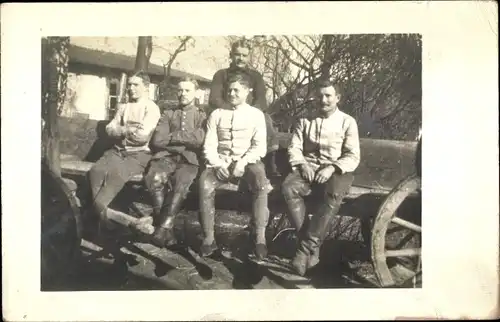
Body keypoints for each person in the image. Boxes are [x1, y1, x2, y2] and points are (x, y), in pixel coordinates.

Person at [281, 79, 361, 276]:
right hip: (308, 169)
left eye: (328, 96)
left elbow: (352, 155)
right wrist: (302, 164)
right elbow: (295, 147)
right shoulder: (305, 120)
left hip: (337, 171)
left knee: (333, 194)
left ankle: (303, 250)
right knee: (288, 187)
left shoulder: (347, 122)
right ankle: (313, 248)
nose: (323, 100)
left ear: (337, 98)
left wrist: (332, 167)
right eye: (320, 96)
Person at [199, 72, 270, 260]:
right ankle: (208, 239)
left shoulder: (256, 115)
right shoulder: (217, 114)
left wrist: (243, 162)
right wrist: (217, 163)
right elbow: (210, 145)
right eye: (229, 90)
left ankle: (260, 238)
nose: (231, 94)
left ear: (247, 91)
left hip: (248, 162)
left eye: (236, 90)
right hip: (221, 162)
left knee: (261, 182)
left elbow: (259, 147)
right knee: (204, 184)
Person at [87, 71, 161, 229]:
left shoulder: (152, 108)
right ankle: (131, 222)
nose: (131, 88)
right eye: (129, 85)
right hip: (116, 151)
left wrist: (120, 131)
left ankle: (102, 218)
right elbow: (109, 129)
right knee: (96, 171)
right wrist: (128, 129)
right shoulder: (124, 107)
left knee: (115, 175)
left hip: (138, 155)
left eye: (136, 85)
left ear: (146, 87)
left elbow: (142, 137)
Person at [139, 77, 207, 247]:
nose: (182, 94)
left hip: (188, 160)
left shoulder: (201, 116)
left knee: (181, 185)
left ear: (196, 93)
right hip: (165, 157)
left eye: (187, 90)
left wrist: (173, 137)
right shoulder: (168, 113)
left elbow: (199, 139)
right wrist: (184, 139)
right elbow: (157, 140)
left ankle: (161, 228)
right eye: (180, 90)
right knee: (154, 177)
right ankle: (166, 231)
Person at [209, 39, 280, 177]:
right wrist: (230, 110)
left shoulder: (255, 76)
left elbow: (261, 100)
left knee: (266, 119)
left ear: (249, 57)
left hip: (250, 114)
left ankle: (271, 163)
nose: (240, 58)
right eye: (237, 54)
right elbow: (214, 98)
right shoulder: (221, 75)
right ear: (231, 55)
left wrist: (249, 112)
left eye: (244, 55)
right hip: (226, 111)